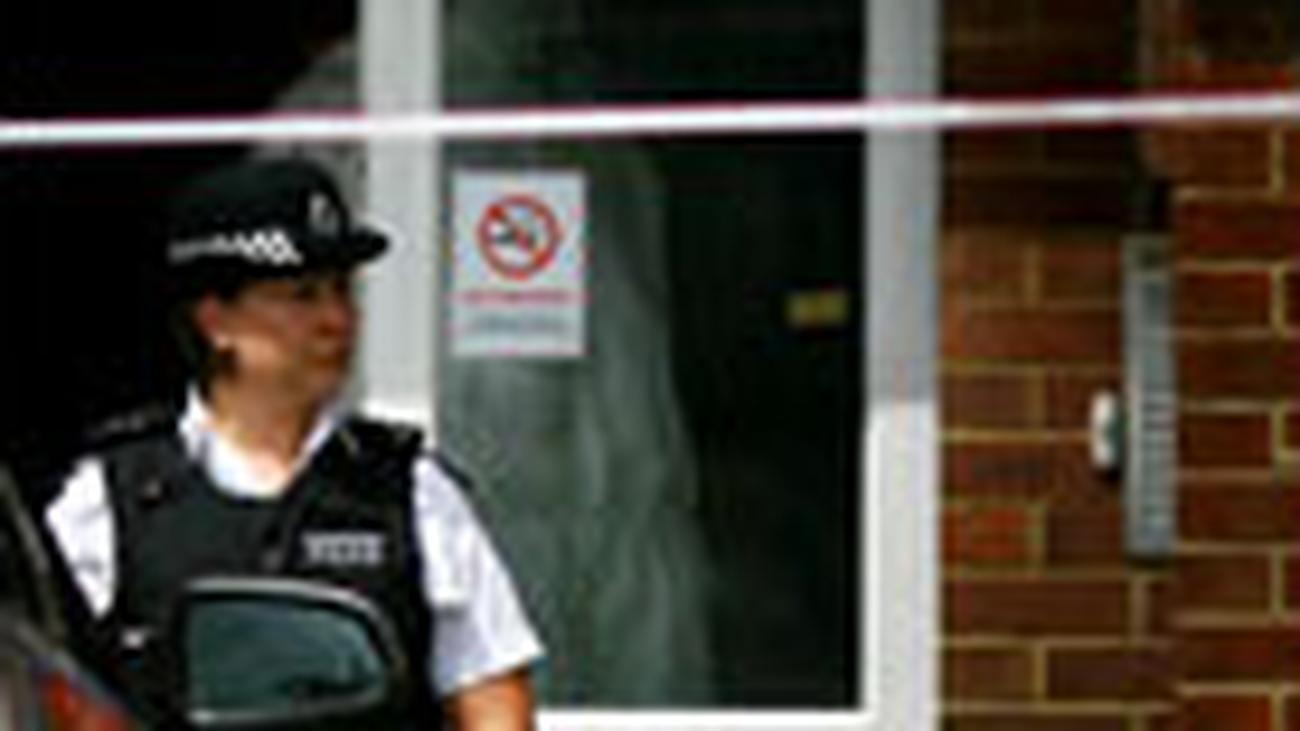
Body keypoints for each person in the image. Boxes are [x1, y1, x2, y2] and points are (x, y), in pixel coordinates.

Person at [42, 156, 543, 729]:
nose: (336, 319)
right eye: (303, 295)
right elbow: (47, 691)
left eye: (342, 290)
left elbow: (494, 701)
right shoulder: (110, 499)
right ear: (216, 321)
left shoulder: (411, 493)